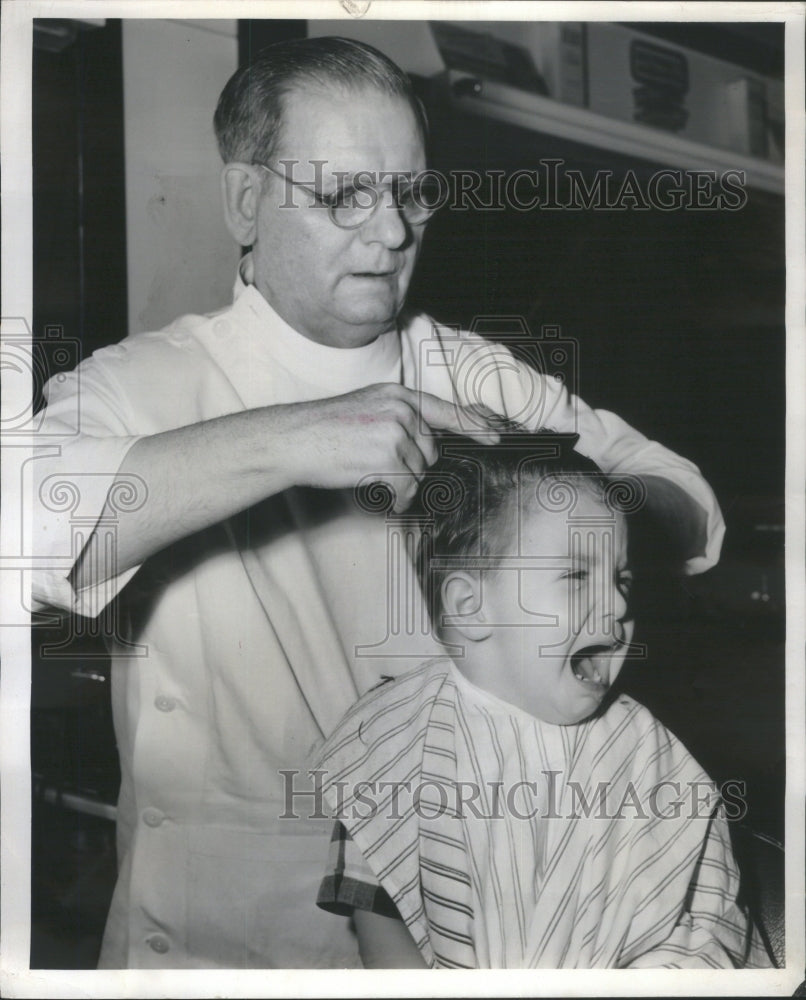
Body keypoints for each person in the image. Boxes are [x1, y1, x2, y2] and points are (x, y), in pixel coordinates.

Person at [32, 37, 725, 969]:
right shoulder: (139, 385)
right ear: (245, 201)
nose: (394, 232)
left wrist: (552, 503)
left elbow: (684, 498)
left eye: (412, 192)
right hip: (212, 947)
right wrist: (300, 437)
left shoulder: (471, 372)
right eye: (343, 195)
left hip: (464, 915)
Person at [313, 429, 770, 969]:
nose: (617, 602)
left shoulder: (652, 762)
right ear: (471, 606)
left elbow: (700, 931)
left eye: (622, 577)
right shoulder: (387, 744)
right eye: (576, 575)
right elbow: (386, 936)